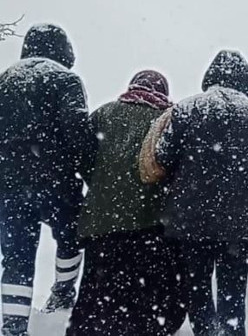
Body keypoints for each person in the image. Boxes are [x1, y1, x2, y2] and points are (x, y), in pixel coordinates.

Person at [154, 51, 248, 336]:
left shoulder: (186, 110)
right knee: (233, 297)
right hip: (239, 225)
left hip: (193, 222)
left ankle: (206, 331)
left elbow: (163, 156)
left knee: (198, 291)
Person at [65, 71, 186, 336]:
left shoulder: (103, 114)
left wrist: (101, 186)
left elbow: (82, 157)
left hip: (102, 221)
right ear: (163, 91)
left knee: (98, 292)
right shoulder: (170, 120)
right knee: (142, 294)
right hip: (150, 222)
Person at [0, 24, 94, 336]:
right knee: (69, 240)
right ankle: (63, 292)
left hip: (9, 187)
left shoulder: (6, 80)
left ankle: (13, 327)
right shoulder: (66, 79)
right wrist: (92, 174)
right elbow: (78, 131)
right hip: (57, 183)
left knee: (16, 258)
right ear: (64, 49)